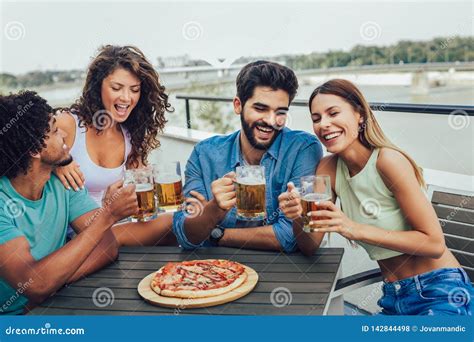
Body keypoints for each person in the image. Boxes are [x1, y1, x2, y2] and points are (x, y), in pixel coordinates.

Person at [278, 79, 473, 315]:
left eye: (333, 113)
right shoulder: (327, 168)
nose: (324, 125)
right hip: (393, 299)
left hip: (439, 292)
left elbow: (434, 243)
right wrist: (299, 216)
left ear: (360, 115)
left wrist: (353, 228)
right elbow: (310, 246)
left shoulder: (388, 161)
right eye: (317, 118)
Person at [0, 91, 170, 315]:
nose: (63, 134)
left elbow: (107, 247)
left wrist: (53, 282)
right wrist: (108, 215)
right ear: (34, 150)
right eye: (54, 130)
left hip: (51, 304)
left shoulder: (62, 181)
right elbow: (34, 283)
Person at [173, 61, 323, 252]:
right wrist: (215, 209)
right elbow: (185, 236)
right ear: (238, 105)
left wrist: (217, 233)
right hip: (215, 273)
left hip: (284, 273)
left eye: (280, 112)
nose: (270, 121)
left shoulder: (303, 149)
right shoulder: (205, 154)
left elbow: (290, 236)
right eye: (260, 109)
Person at [54, 45, 175, 246]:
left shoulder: (130, 136)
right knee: (172, 223)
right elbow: (27, 141)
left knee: (175, 224)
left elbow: (139, 195)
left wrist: (148, 181)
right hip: (78, 235)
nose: (126, 98)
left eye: (134, 90)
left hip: (113, 225)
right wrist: (60, 161)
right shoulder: (69, 124)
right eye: (116, 88)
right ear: (97, 86)